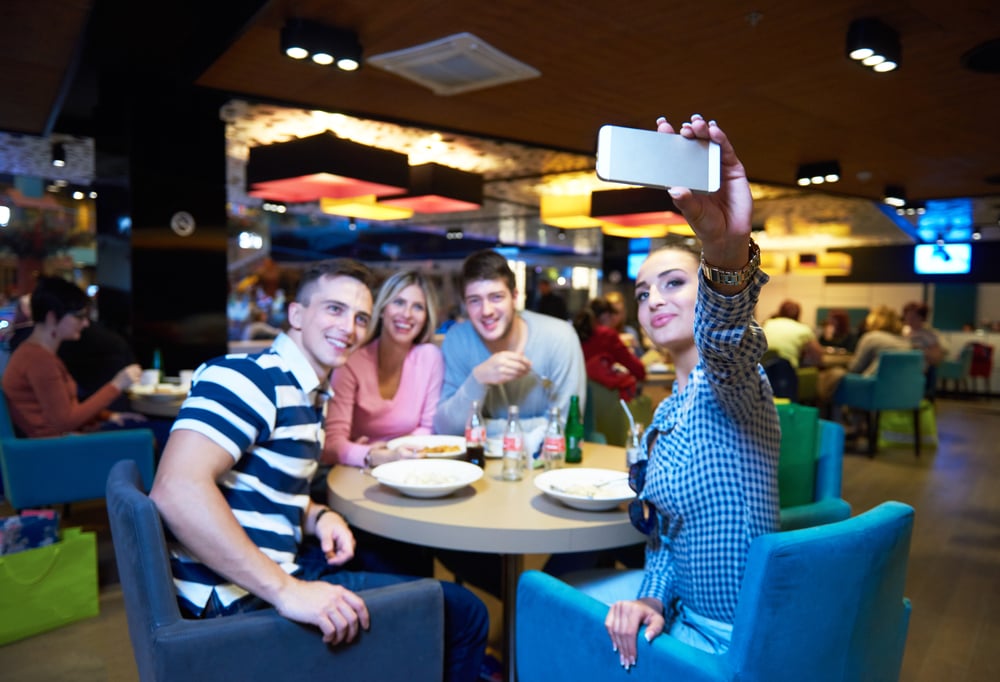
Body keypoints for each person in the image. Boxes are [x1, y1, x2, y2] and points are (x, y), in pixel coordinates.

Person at [148, 259, 487, 682]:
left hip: (265, 575)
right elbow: (176, 488)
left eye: (360, 317)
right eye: (334, 309)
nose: (349, 327)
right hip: (236, 604)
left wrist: (317, 515)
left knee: (386, 558)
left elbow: (259, 483)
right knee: (464, 613)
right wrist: (288, 592)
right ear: (296, 314)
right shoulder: (250, 377)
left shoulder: (307, 391)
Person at [586, 114, 781, 669]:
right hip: (681, 615)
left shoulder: (735, 385)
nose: (654, 300)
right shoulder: (671, 408)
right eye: (643, 292)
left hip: (734, 640)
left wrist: (724, 253)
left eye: (674, 282)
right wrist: (651, 593)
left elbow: (726, 342)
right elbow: (668, 534)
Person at [433, 249, 586, 596]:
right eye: (474, 300)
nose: (486, 311)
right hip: (477, 487)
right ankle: (525, 601)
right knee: (445, 542)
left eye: (496, 297)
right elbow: (446, 430)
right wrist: (479, 379)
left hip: (543, 483)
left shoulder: (559, 337)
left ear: (516, 296)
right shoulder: (458, 339)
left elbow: (562, 428)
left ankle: (532, 601)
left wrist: (491, 429)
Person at [321, 270, 443, 577]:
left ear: (427, 316)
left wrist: (386, 451)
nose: (407, 314)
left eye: (418, 307)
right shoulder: (352, 361)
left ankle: (422, 607)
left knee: (415, 556)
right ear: (383, 308)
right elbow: (332, 443)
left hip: (410, 477)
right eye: (398, 303)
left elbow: (427, 430)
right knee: (383, 560)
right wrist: (373, 456)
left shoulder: (429, 357)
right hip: (356, 482)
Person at [1, 276, 148, 438]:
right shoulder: (39, 360)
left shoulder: (35, 353)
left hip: (55, 445)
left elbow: (62, 412)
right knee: (153, 435)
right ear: (52, 317)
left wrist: (108, 416)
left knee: (141, 428)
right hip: (54, 451)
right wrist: (117, 384)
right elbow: (66, 422)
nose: (85, 323)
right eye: (79, 316)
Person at [573, 297, 647, 401]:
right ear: (606, 315)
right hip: (601, 399)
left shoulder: (576, 332)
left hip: (577, 393)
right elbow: (638, 370)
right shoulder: (606, 335)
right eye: (613, 316)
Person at [760, 299, 824, 368]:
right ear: (798, 315)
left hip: (763, 370)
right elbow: (818, 355)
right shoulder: (803, 329)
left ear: (780, 312)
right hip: (788, 372)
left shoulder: (767, 323)